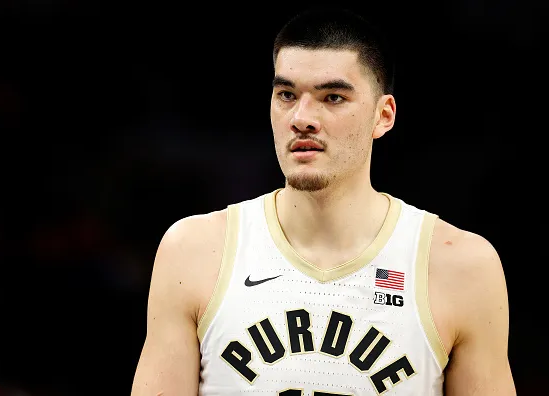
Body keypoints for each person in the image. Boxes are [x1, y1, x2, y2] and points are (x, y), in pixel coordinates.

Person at [131, 6, 516, 395]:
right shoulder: (193, 251)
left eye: (332, 97)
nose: (302, 118)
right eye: (286, 94)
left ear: (383, 115)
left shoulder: (462, 266)